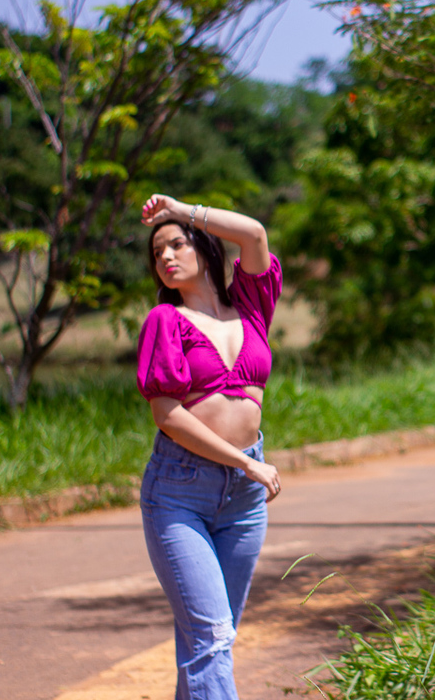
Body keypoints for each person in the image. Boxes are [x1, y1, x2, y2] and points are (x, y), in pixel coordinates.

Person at [135, 193, 283, 699]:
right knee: (212, 637)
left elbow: (254, 234)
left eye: (177, 245)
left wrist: (180, 208)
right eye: (158, 253)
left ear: (203, 245)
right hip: (179, 492)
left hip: (242, 501)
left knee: (209, 640)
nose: (167, 258)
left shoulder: (250, 307)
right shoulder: (164, 321)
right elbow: (168, 416)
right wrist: (245, 461)